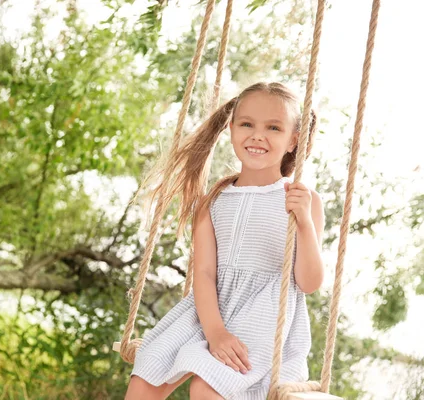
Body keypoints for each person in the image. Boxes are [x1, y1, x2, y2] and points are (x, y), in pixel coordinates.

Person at [124, 82, 325, 400]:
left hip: (261, 318)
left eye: (273, 127)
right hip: (206, 310)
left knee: (206, 388)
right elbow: (203, 273)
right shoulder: (214, 200)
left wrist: (303, 222)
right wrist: (215, 332)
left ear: (293, 140)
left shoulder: (302, 199)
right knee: (145, 376)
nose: (258, 135)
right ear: (231, 129)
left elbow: (309, 282)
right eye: (247, 124)